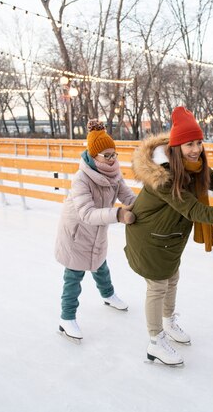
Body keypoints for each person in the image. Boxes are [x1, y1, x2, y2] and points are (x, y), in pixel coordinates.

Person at [125, 106, 213, 367]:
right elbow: (194, 209)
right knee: (157, 286)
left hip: (169, 237)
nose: (196, 148)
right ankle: (155, 342)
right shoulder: (163, 176)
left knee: (172, 278)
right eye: (189, 144)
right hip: (148, 238)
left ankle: (168, 322)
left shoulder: (194, 167)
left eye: (198, 142)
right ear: (176, 147)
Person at [54, 119, 137, 344]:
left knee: (100, 263)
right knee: (74, 275)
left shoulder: (114, 175)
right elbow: (87, 213)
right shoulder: (81, 179)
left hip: (97, 230)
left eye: (114, 154)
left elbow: (129, 198)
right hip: (77, 232)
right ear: (94, 156)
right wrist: (118, 215)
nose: (112, 160)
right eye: (106, 156)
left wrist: (149, 204)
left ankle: (108, 294)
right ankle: (67, 317)